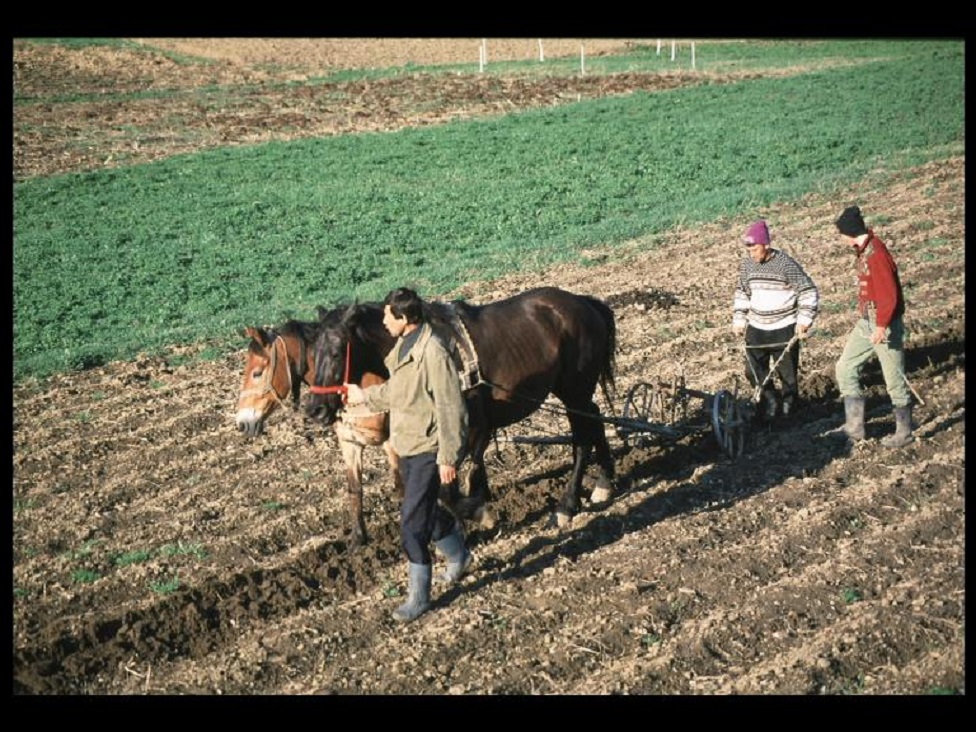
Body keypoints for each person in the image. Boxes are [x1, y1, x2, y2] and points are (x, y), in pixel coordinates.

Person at [344, 287, 471, 623]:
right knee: (422, 510)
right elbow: (399, 391)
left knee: (411, 526)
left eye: (388, 316)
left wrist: (448, 457)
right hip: (408, 444)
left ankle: (419, 597)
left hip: (430, 448)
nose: (383, 322)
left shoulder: (433, 352)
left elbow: (451, 405)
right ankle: (459, 556)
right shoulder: (405, 345)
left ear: (404, 318)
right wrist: (362, 397)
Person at [833, 205, 913, 448]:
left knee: (894, 381)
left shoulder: (876, 254)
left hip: (884, 325)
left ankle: (904, 433)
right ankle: (854, 429)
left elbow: (889, 296)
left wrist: (881, 327)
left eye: (841, 234)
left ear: (850, 232)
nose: (841, 238)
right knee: (845, 367)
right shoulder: (863, 250)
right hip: (866, 322)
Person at [732, 219, 819, 421]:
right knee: (752, 371)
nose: (752, 254)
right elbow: (742, 293)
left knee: (787, 376)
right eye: (749, 250)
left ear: (767, 245)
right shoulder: (747, 266)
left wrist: (804, 320)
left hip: (784, 328)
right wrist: (739, 319)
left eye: (755, 249)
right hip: (756, 328)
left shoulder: (785, 265)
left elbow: (808, 291)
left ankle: (789, 410)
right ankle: (771, 399)